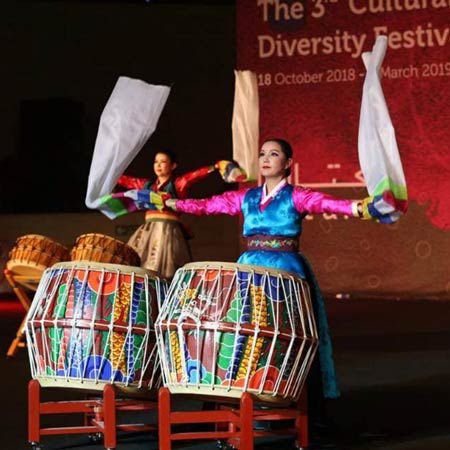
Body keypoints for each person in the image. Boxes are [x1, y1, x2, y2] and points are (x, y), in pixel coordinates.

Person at [155, 138, 376, 426]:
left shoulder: (297, 196)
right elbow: (207, 205)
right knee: (244, 333)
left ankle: (286, 404)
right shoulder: (246, 197)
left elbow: (326, 203)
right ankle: (241, 402)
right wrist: (171, 202)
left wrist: (361, 208)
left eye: (274, 154)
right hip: (248, 270)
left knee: (286, 336)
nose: (265, 158)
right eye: (262, 154)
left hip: (285, 271)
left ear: (287, 164)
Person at [116, 149, 238, 279]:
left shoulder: (178, 184)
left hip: (168, 231)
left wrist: (215, 167)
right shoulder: (147, 185)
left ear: (173, 166)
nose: (158, 165)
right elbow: (128, 181)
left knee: (167, 270)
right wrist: (110, 175)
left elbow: (194, 175)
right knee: (138, 264)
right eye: (156, 161)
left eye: (163, 162)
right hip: (148, 231)